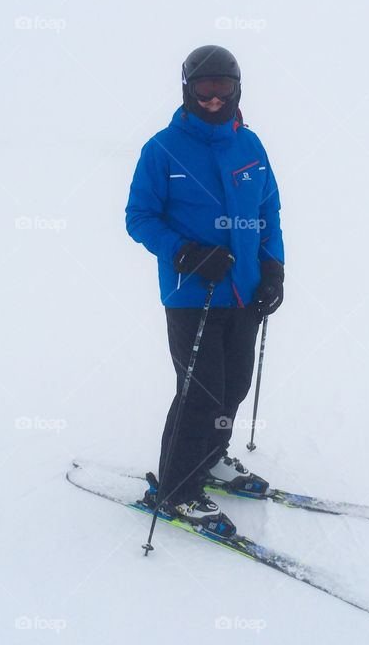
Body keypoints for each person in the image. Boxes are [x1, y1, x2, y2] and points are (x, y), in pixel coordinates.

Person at [125, 45, 285, 536]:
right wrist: (186, 252)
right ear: (187, 90)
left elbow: (268, 213)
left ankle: (212, 460)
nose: (214, 99)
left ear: (237, 89)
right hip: (192, 293)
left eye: (223, 88)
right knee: (201, 392)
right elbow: (139, 218)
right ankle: (173, 488)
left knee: (233, 386)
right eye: (204, 88)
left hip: (243, 291)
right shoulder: (162, 149)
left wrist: (273, 267)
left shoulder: (250, 145)